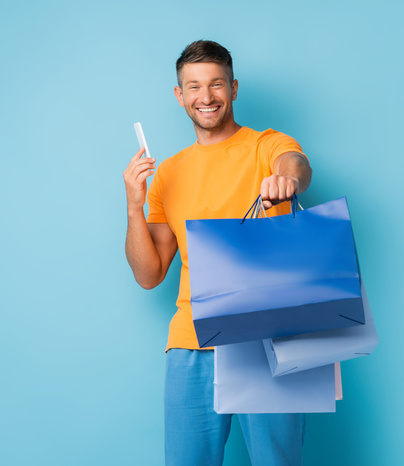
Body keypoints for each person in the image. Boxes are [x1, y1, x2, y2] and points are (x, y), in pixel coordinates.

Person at [123, 40, 313, 466]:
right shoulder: (169, 172)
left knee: (278, 461)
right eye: (194, 87)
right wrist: (134, 205)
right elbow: (149, 273)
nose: (205, 97)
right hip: (192, 341)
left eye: (216, 85)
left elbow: (296, 163)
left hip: (267, 336)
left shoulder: (266, 144)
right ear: (180, 95)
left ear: (234, 87)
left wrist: (287, 181)